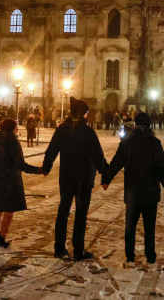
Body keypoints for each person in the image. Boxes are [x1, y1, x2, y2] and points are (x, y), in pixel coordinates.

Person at [101, 112, 164, 265]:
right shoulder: (155, 143)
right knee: (149, 227)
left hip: (132, 192)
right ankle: (150, 255)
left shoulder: (127, 143)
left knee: (130, 226)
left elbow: (116, 163)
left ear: (136, 125)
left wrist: (106, 179)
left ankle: (130, 254)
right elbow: (161, 169)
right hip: (150, 193)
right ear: (149, 126)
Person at [41, 97, 108, 260]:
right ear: (84, 114)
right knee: (81, 213)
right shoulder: (88, 132)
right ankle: (78, 250)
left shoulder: (62, 129)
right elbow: (98, 156)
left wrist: (46, 167)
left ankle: (59, 247)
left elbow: (51, 150)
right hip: (84, 178)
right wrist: (105, 176)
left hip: (66, 176)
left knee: (63, 211)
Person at [0, 119, 44, 248]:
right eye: (16, 127)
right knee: (8, 211)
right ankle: (1, 237)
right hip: (11, 181)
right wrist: (38, 170)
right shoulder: (13, 141)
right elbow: (20, 164)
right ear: (13, 128)